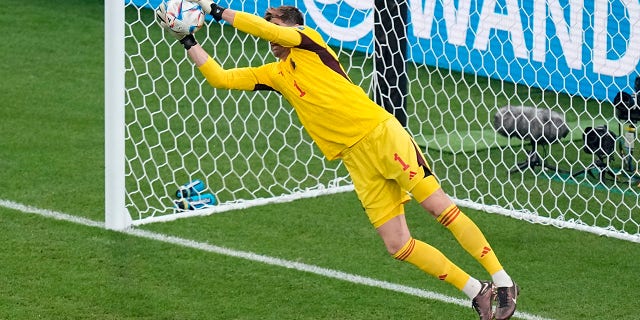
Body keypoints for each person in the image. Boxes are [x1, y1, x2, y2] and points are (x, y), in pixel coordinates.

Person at [156, 2, 519, 319]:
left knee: (440, 208)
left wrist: (214, 10)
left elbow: (265, 29)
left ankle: (503, 280)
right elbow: (221, 78)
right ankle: (477, 291)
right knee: (398, 245)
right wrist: (188, 39)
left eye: (276, 25)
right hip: (356, 161)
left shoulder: (309, 43)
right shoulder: (276, 74)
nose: (270, 35)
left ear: (292, 27)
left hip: (381, 135)